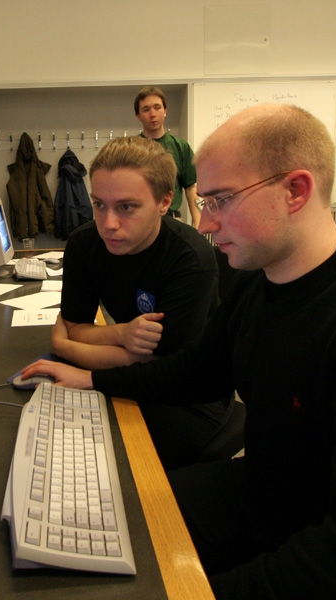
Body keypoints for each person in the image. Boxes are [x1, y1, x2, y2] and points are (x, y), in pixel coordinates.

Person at [23, 103, 336, 598]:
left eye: (221, 200)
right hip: (272, 489)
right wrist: (93, 380)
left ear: (295, 191)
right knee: (92, 520)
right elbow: (197, 372)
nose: (207, 224)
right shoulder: (258, 281)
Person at [53, 135, 230, 469]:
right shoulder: (83, 244)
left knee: (114, 464)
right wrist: (121, 335)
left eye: (126, 207)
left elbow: (164, 367)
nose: (108, 224)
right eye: (99, 204)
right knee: (65, 445)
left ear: (165, 202)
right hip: (132, 375)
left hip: (189, 393)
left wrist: (66, 348)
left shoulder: (190, 257)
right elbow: (77, 327)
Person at [135, 86, 201, 228]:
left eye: (157, 107)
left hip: (172, 221)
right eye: (146, 109)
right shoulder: (132, 148)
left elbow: (191, 188)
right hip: (141, 221)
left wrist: (197, 223)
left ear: (165, 111)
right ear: (138, 116)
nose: (152, 114)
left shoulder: (180, 147)